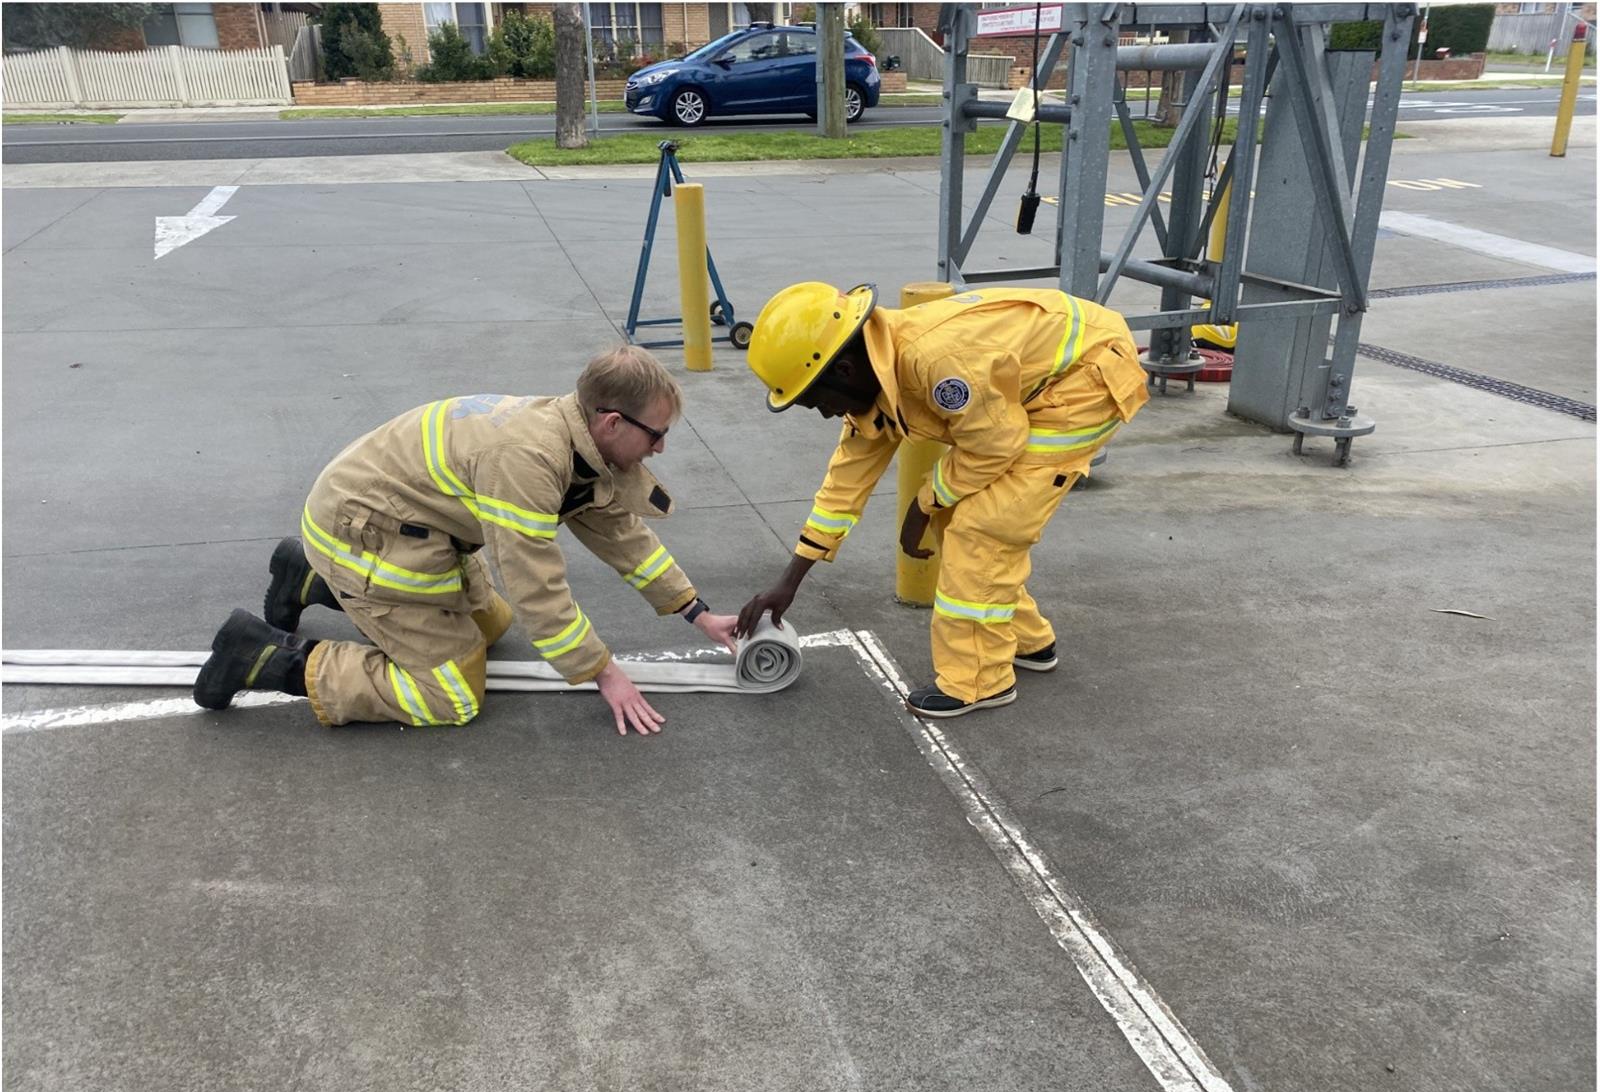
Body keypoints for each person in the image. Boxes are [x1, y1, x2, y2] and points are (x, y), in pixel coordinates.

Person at [194, 345, 738, 736]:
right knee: (450, 695)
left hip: (399, 528)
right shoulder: (526, 462)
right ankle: (264, 655)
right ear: (613, 423)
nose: (661, 448)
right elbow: (536, 586)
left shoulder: (575, 437)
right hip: (364, 537)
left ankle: (308, 576)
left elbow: (618, 529)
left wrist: (697, 612)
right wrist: (603, 673)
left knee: (493, 627)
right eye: (657, 434)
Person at [736, 283, 1149, 718]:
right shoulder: (876, 375)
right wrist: (790, 581)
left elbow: (995, 446)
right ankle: (1028, 642)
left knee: (984, 529)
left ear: (842, 370)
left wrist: (923, 503)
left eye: (815, 400)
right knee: (960, 514)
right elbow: (843, 486)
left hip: (1086, 378)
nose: (823, 413)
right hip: (1041, 380)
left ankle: (979, 681)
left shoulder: (936, 364)